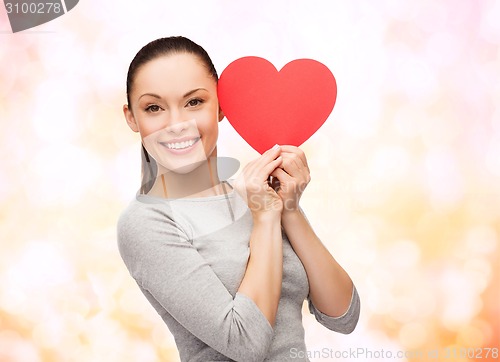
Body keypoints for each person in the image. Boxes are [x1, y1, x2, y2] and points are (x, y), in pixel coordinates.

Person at [117, 36, 360, 362]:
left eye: (193, 102)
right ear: (132, 117)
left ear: (221, 106)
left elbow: (343, 316)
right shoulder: (146, 222)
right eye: (154, 108)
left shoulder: (257, 193)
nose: (177, 125)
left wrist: (288, 210)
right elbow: (245, 343)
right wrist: (264, 218)